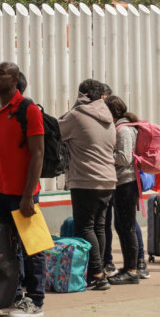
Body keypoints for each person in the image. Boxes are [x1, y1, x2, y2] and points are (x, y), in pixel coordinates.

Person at [0, 62, 47, 317]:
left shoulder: (28, 110)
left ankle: (35, 300)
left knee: (32, 246)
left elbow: (38, 154)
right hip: (1, 192)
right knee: (4, 248)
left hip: (24, 193)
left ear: (14, 80)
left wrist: (28, 195)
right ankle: (13, 296)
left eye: (1, 73)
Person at [57, 79, 116, 289]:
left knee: (85, 227)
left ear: (82, 95)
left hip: (86, 179)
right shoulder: (108, 117)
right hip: (108, 179)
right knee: (99, 226)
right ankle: (98, 273)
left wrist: (75, 105)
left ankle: (98, 275)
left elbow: (56, 130)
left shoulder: (77, 114)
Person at [105, 96, 144, 284]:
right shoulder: (122, 127)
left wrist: (103, 152)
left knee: (126, 227)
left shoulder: (123, 130)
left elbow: (124, 158)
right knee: (121, 226)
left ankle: (132, 269)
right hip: (123, 183)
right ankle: (130, 266)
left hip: (126, 183)